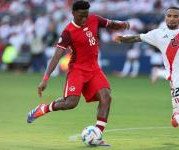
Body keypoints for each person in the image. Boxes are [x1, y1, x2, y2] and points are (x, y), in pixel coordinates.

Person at [27, 0, 130, 146]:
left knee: (106, 97)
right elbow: (56, 55)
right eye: (81, 16)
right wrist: (45, 78)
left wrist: (122, 24)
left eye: (86, 15)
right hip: (78, 70)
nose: (84, 19)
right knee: (71, 103)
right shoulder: (68, 32)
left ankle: (97, 136)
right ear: (73, 13)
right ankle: (44, 108)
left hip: (94, 68)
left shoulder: (94, 19)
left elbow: (110, 23)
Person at [113, 6, 179, 128]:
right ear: (165, 17)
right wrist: (122, 39)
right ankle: (176, 116)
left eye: (175, 16)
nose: (172, 19)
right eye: (169, 16)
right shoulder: (157, 34)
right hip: (178, 78)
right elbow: (138, 37)